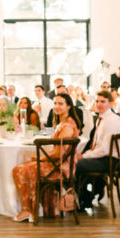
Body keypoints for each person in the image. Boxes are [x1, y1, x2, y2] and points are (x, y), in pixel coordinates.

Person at [12, 93, 80, 222]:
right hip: (56, 164)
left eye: (61, 104)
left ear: (69, 106)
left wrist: (40, 159)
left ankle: (29, 209)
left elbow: (59, 154)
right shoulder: (63, 122)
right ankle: (29, 209)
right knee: (23, 167)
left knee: (20, 170)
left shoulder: (67, 127)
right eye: (55, 103)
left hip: (61, 168)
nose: (57, 106)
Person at [75, 90, 120, 211]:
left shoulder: (111, 120)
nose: (99, 104)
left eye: (103, 101)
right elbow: (95, 144)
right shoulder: (101, 118)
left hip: (109, 160)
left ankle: (84, 198)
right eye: (97, 101)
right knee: (74, 160)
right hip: (102, 157)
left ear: (111, 103)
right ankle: (86, 195)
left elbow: (104, 149)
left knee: (74, 164)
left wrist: (84, 156)